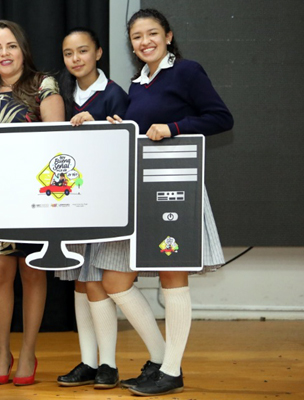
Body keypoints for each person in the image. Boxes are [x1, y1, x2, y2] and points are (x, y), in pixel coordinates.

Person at [105, 9, 233, 396]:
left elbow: (220, 117)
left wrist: (173, 129)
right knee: (115, 279)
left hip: (177, 188)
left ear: (168, 35)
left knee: (171, 275)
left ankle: (172, 371)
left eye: (152, 34)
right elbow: (139, 133)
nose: (145, 42)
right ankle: (163, 360)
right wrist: (118, 127)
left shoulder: (187, 71)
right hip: (140, 191)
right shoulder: (138, 84)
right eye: (137, 37)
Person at [0, 20, 64, 387]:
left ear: (23, 49)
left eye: (10, 46)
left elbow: (57, 138)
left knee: (32, 272)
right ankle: (2, 351)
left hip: (35, 198)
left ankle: (28, 350)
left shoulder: (43, 85)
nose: (4, 54)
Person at [54, 27, 128, 390]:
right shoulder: (62, 93)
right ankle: (88, 360)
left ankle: (108, 365)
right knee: (80, 282)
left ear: (99, 52)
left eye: (83, 51)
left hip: (103, 201)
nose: (76, 59)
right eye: (69, 53)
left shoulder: (114, 94)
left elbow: (124, 146)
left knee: (98, 280)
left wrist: (97, 125)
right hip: (70, 202)